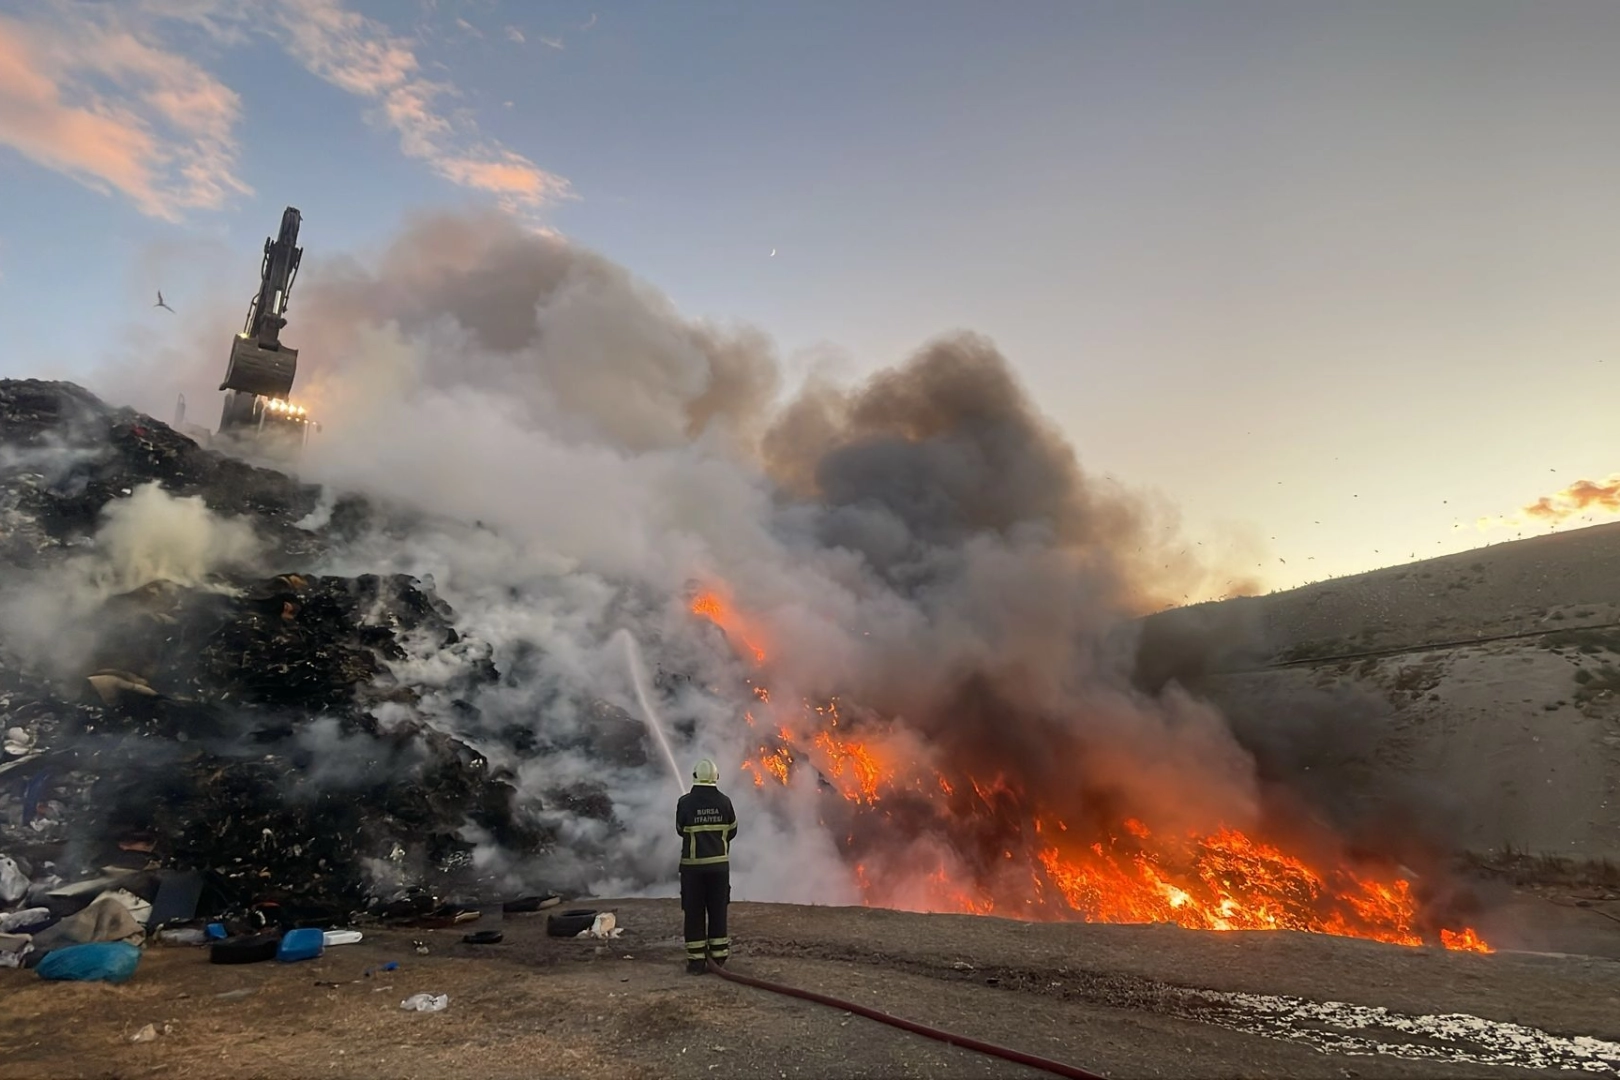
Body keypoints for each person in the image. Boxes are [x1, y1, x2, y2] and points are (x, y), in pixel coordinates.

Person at [675, 758, 738, 974]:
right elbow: (732, 831)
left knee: (694, 912)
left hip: (692, 869)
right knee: (718, 910)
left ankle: (696, 961)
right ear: (716, 777)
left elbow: (680, 829)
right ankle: (719, 957)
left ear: (694, 776)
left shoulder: (685, 802)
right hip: (719, 869)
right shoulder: (725, 802)